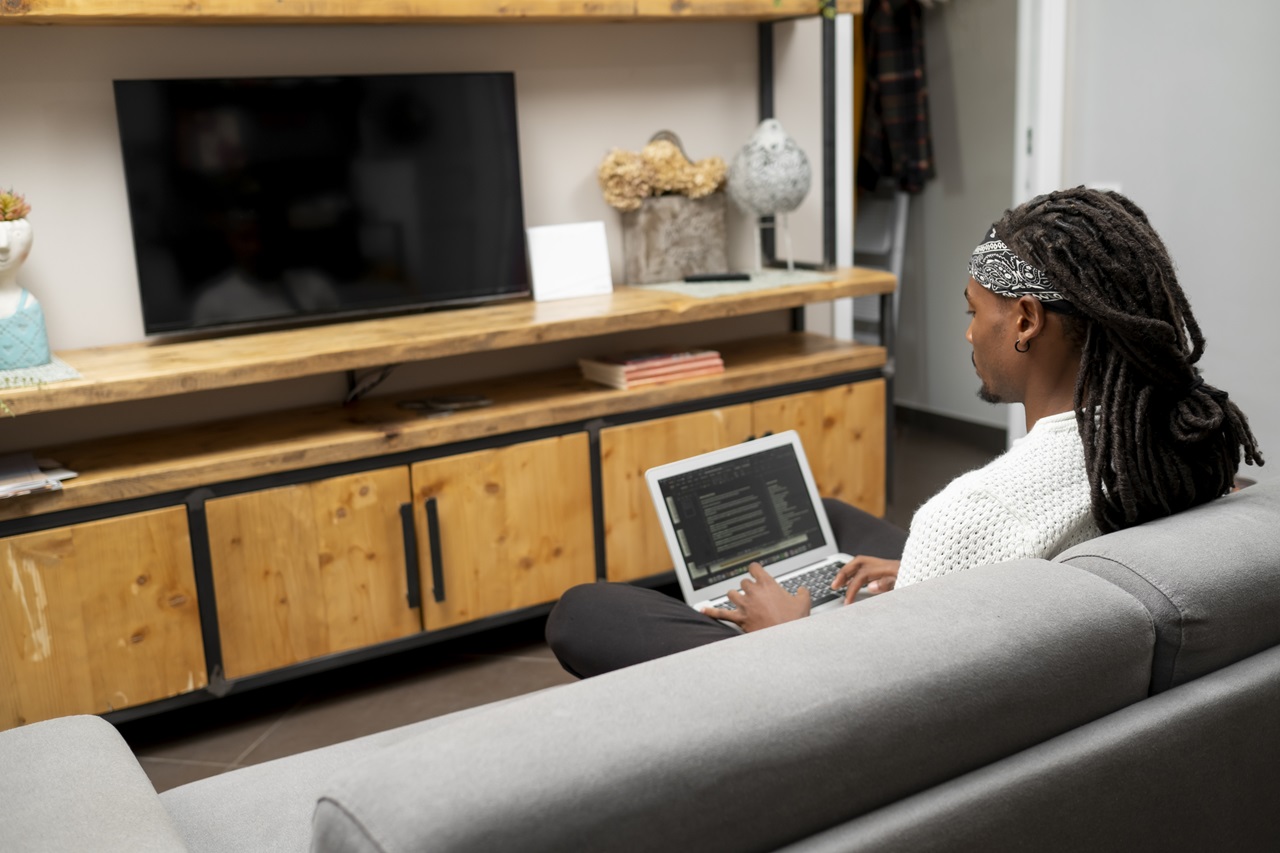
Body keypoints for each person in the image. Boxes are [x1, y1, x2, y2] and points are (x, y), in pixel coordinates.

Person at [546, 187, 1264, 678]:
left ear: (1024, 321)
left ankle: (748, 614)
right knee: (825, 517)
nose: (966, 331)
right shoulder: (1179, 445)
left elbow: (888, 700)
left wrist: (786, 635)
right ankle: (810, 583)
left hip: (838, 682)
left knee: (586, 609)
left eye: (973, 309)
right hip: (1016, 608)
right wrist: (919, 576)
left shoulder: (973, 514)